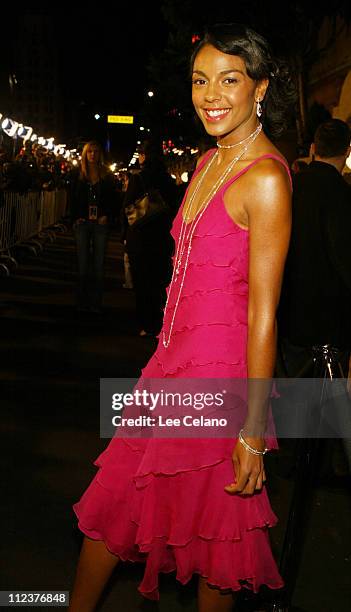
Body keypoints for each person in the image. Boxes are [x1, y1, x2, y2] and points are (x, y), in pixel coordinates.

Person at [69, 23, 294, 611]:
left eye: (230, 79)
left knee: (214, 541)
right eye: (200, 81)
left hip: (221, 388)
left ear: (260, 88)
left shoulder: (266, 178)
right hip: (170, 369)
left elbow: (264, 314)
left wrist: (251, 433)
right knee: (116, 503)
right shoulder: (205, 162)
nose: (211, 95)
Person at [274, 119, 351, 609]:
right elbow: (344, 258)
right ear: (344, 152)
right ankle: (315, 459)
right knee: (327, 387)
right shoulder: (341, 195)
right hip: (328, 312)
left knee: (296, 379)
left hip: (292, 308)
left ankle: (297, 452)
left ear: (313, 147)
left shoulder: (292, 186)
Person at [70, 141, 116, 313]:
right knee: (82, 263)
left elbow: (113, 198)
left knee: (98, 264)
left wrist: (107, 215)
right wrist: (75, 218)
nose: (92, 155)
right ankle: (81, 302)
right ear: (85, 154)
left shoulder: (106, 175)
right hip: (82, 222)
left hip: (100, 223)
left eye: (96, 151)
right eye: (89, 152)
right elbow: (72, 197)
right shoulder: (78, 174)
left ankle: (96, 303)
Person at [125, 189, 174, 336]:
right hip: (160, 262)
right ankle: (156, 323)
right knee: (158, 293)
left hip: (145, 263)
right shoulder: (165, 219)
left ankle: (149, 325)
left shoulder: (141, 226)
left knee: (146, 293)